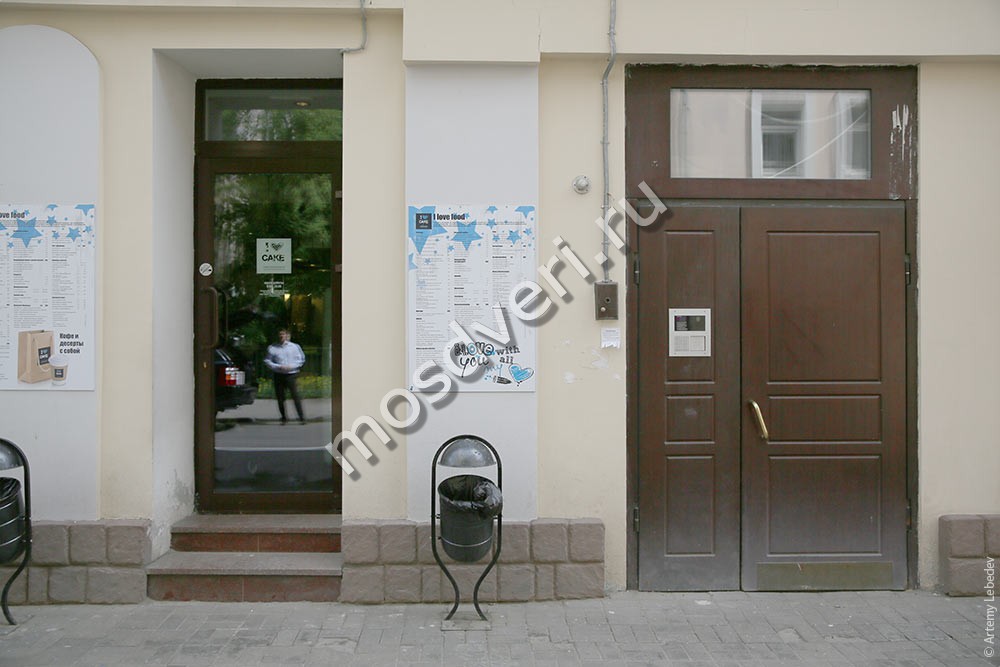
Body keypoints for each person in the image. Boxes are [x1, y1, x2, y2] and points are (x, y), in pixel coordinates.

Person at [264, 329, 306, 424]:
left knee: (295, 396)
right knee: (280, 397)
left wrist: (291, 366)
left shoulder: (294, 347)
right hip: (279, 374)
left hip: (291, 374)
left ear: (287, 335)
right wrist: (278, 367)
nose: (281, 336)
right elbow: (267, 360)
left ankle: (301, 417)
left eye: (283, 334)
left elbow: (301, 359)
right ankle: (283, 417)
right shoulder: (272, 348)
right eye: (280, 334)